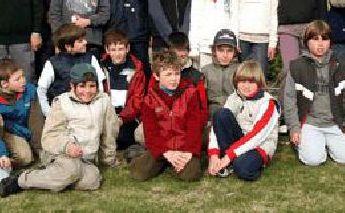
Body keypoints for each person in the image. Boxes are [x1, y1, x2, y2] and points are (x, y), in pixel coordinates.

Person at [0, 64, 120, 196]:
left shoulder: (104, 101)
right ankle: (21, 180)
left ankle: (51, 175)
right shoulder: (62, 103)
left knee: (92, 181)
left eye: (92, 86)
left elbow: (109, 132)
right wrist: (67, 147)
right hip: (61, 154)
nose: (87, 91)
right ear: (72, 86)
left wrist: (108, 158)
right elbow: (49, 137)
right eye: (82, 86)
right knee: (72, 169)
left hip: (86, 159)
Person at [282, 20, 345, 166]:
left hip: (334, 122)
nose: (320, 43)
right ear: (306, 42)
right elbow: (289, 100)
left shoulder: (340, 65)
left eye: (325, 39)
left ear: (330, 42)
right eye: (315, 39)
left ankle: (328, 143)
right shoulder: (296, 67)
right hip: (310, 123)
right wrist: (294, 128)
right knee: (313, 160)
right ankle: (310, 143)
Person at [129, 49, 205, 182]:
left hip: (184, 145)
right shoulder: (149, 100)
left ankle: (198, 157)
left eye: (177, 73)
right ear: (157, 76)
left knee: (190, 175)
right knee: (139, 174)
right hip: (163, 146)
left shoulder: (190, 94)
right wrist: (166, 152)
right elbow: (151, 133)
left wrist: (188, 152)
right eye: (168, 74)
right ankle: (142, 155)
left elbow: (194, 126)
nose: (174, 78)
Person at [206, 60, 280, 181]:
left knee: (242, 168)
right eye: (242, 81)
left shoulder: (268, 103)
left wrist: (228, 157)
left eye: (251, 82)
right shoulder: (235, 96)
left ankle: (234, 162)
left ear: (259, 83)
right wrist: (214, 155)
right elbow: (217, 126)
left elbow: (256, 136)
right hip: (239, 140)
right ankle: (227, 162)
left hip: (259, 145)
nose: (246, 86)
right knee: (220, 114)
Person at [0, 59, 42, 168]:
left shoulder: (30, 90)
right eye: (18, 79)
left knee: (26, 158)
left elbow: (36, 122)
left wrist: (40, 150)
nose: (23, 81)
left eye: (23, 76)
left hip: (19, 131)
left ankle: (7, 159)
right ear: (4, 84)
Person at [37, 23, 107, 117]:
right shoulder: (53, 63)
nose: (85, 42)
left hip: (88, 112)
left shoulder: (91, 58)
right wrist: (49, 113)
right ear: (68, 46)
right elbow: (41, 89)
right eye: (80, 41)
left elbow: (100, 86)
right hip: (63, 114)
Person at [98, 30, 147, 150]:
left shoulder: (137, 69)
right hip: (107, 113)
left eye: (121, 49)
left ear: (127, 48)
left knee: (124, 139)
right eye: (113, 50)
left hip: (126, 116)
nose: (117, 53)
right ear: (107, 50)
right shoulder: (100, 66)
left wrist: (122, 119)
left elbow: (137, 99)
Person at [200, 29, 241, 119]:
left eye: (229, 51)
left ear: (235, 52)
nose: (225, 55)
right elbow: (200, 98)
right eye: (221, 50)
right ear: (214, 51)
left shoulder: (240, 70)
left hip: (235, 111)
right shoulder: (205, 70)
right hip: (212, 113)